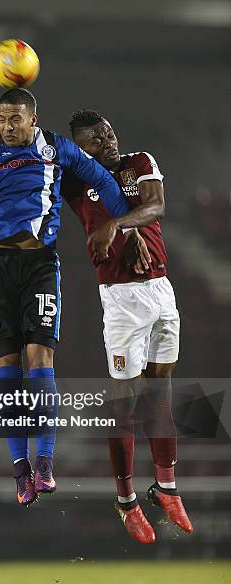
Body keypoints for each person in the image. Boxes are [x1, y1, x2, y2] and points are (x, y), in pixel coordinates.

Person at [0, 89, 152, 508]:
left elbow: (103, 180)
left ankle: (46, 463)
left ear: (33, 119)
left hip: (39, 266)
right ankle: (20, 471)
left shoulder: (56, 148)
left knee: (41, 359)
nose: (8, 126)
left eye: (16, 118)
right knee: (8, 370)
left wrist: (128, 228)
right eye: (3, 118)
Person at [61, 109, 193, 543]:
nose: (109, 139)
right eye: (97, 139)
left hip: (161, 288)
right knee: (125, 405)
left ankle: (167, 489)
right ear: (82, 148)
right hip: (120, 298)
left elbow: (155, 206)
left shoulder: (140, 163)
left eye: (109, 131)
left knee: (161, 396)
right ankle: (126, 501)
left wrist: (118, 224)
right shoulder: (75, 180)